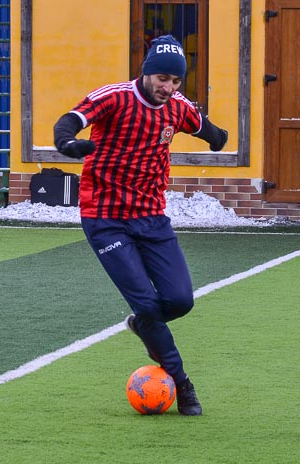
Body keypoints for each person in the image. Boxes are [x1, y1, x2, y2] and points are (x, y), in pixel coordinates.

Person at [53, 35, 228, 416]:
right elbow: (71, 120)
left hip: (151, 216)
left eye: (176, 81)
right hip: (105, 218)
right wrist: (67, 142)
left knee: (180, 300)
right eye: (163, 78)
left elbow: (205, 127)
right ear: (147, 71)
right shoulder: (115, 97)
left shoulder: (177, 108)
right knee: (148, 302)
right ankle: (182, 383)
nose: (169, 87)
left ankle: (142, 323)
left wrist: (218, 138)